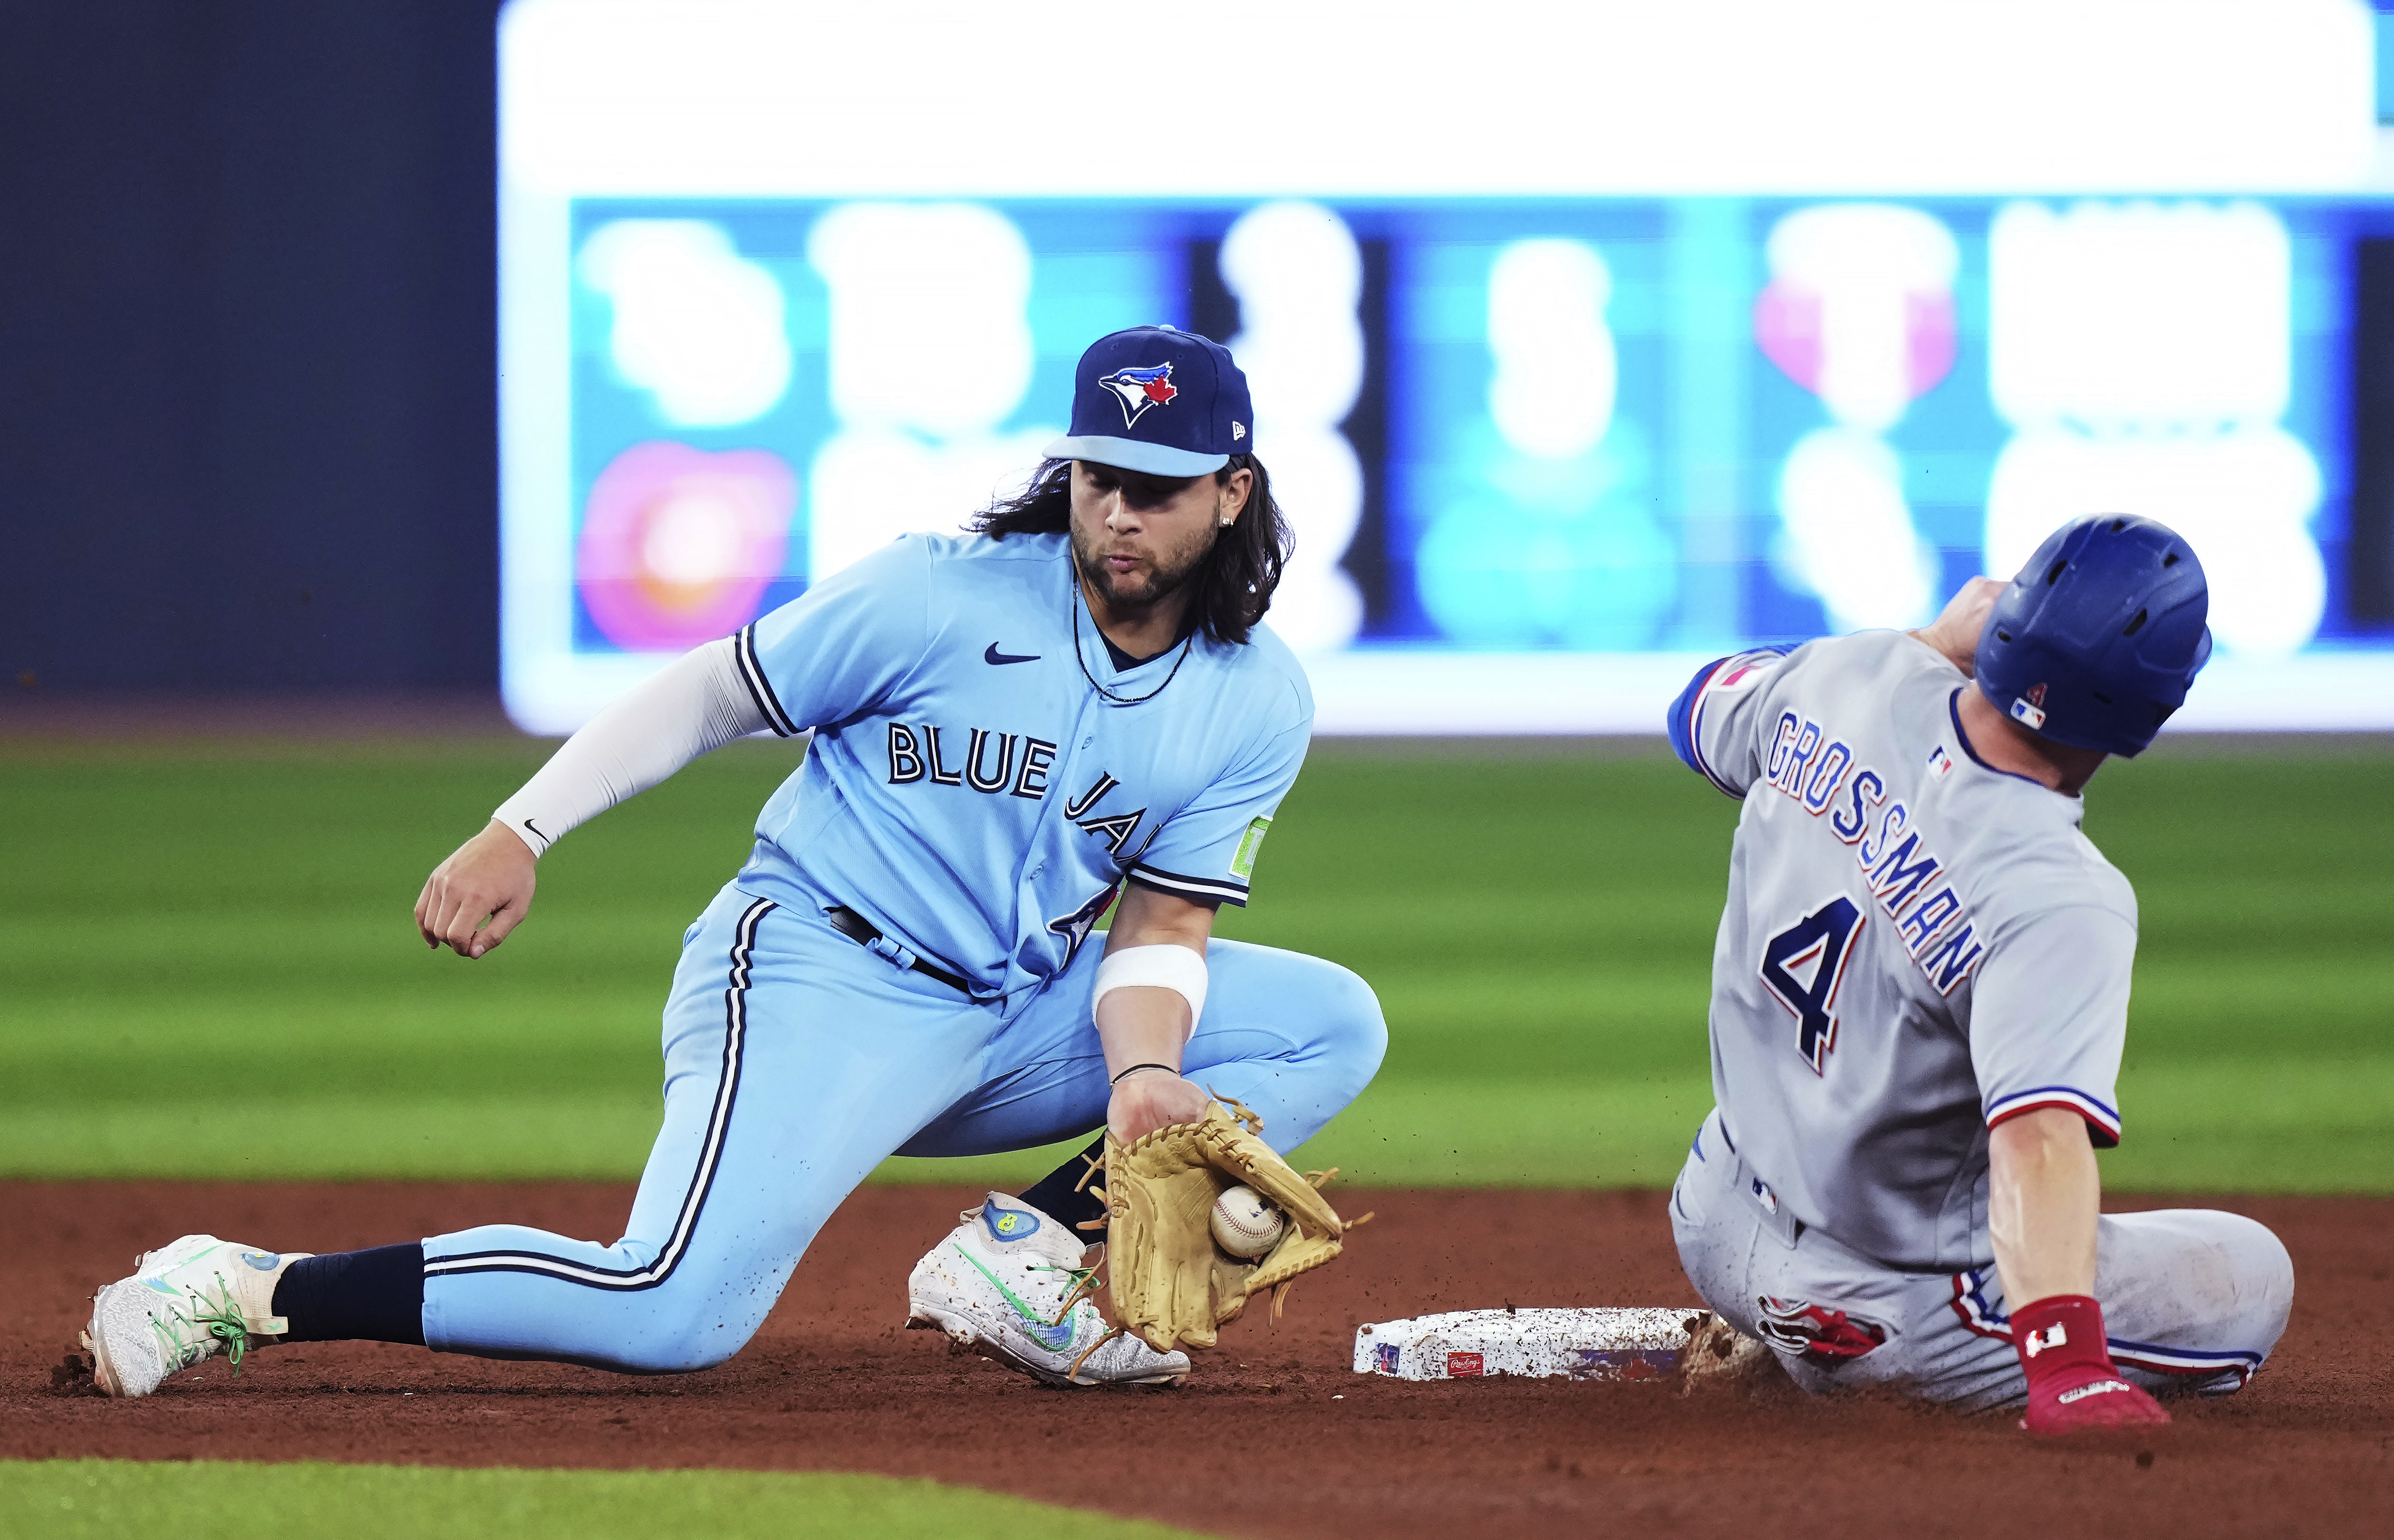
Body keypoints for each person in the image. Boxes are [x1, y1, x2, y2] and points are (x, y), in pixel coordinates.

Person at [80, 325, 1386, 1397]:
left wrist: (1146, 1076)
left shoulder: (1253, 697)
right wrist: (520, 827)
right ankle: (238, 1285)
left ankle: (1021, 1253)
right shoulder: (943, 594)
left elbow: (1160, 925)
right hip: (819, 974)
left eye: (1154, 487)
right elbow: (716, 691)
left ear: (1231, 492)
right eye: (1098, 474)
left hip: (1004, 1017)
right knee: (673, 1314)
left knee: (1327, 1025)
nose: (1116, 511)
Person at [1662, 513, 2293, 1434]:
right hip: (1872, 1316)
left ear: (2007, 612)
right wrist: (2067, 1368)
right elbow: (2036, 1139)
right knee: (2250, 1273)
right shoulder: (2055, 893)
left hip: (1712, 1213)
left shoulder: (1850, 672)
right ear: (2151, 711)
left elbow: (1695, 709)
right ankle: (1823, 1356)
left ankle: (1768, 1331)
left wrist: (1916, 644)